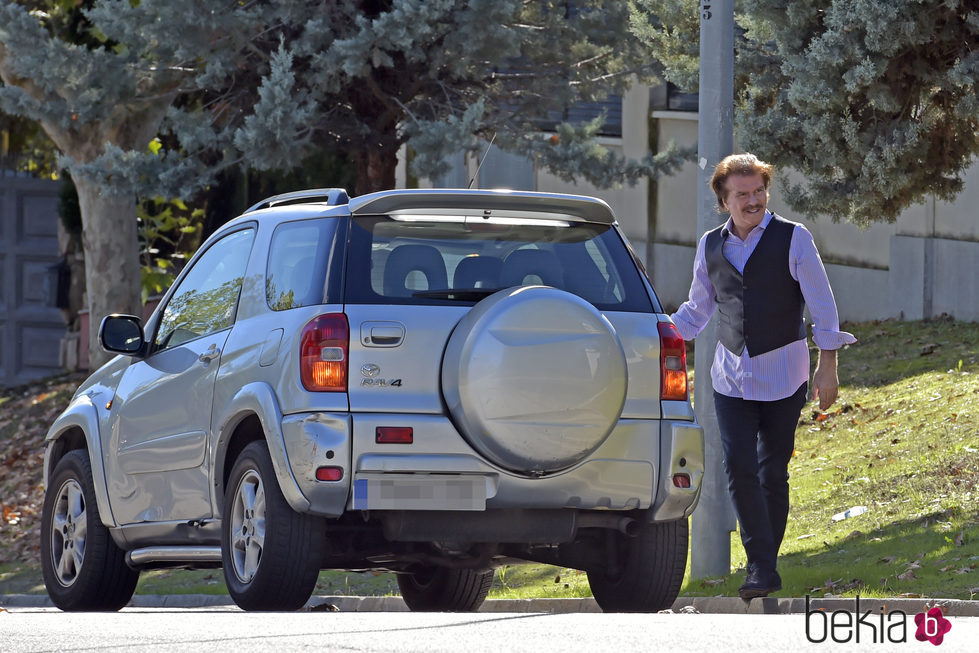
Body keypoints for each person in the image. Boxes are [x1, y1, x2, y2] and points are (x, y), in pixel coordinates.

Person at [670, 153, 856, 600]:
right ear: (724, 200)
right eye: (742, 194)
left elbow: (822, 304)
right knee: (738, 466)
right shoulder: (710, 246)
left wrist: (826, 365)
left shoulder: (794, 239)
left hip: (784, 374)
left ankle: (763, 565)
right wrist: (657, 333)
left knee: (772, 470)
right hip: (730, 377)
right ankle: (761, 568)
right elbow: (697, 310)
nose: (753, 201)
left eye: (759, 192)